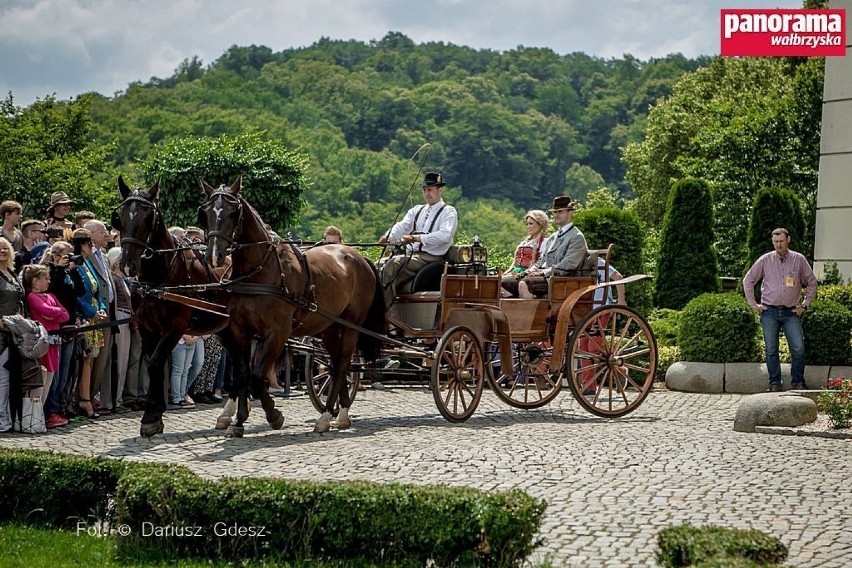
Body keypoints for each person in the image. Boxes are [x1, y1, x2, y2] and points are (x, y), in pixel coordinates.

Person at [743, 228, 818, 392]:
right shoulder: (765, 260)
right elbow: (748, 280)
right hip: (769, 311)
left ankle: (798, 382)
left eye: (781, 241)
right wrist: (753, 305)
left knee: (798, 348)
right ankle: (775, 383)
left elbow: (812, 282)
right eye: (775, 242)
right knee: (771, 349)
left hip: (791, 312)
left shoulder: (798, 260)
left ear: (788, 240)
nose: (778, 245)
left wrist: (805, 305)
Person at [378, 172, 458, 307]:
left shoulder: (449, 212)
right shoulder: (416, 210)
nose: (427, 193)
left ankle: (381, 308)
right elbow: (402, 226)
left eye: (430, 190)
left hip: (430, 257)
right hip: (411, 255)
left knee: (393, 264)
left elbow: (445, 235)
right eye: (425, 190)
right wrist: (388, 236)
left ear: (440, 190)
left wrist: (417, 238)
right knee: (379, 264)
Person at [41, 240, 85, 422]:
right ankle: (51, 409)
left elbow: (80, 291)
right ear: (57, 256)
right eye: (67, 255)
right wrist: (58, 269)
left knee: (66, 371)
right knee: (56, 372)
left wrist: (74, 270)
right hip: (56, 329)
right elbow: (53, 290)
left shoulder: (69, 272)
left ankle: (60, 405)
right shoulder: (49, 273)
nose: (70, 258)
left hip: (70, 326)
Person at [22, 264, 70, 428]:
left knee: (50, 377)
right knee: (41, 378)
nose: (48, 282)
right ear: (35, 281)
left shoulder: (50, 295)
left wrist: (52, 313)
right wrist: (53, 313)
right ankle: (35, 413)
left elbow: (65, 314)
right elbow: (48, 311)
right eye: (45, 279)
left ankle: (40, 413)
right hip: (42, 342)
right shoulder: (32, 297)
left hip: (54, 342)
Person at [518, 196, 588, 299]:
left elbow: (568, 265)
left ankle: (529, 314)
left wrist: (543, 272)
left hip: (559, 280)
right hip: (544, 276)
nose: (556, 215)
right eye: (554, 212)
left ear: (569, 212)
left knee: (524, 284)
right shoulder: (553, 236)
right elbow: (542, 259)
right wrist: (531, 270)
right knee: (504, 284)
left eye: (560, 211)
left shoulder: (576, 237)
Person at [72, 228, 107, 419]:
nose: (90, 246)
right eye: (88, 243)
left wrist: (100, 308)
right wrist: (92, 311)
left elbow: (97, 291)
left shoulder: (88, 263)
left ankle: (88, 395)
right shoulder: (76, 265)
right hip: (84, 315)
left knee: (91, 358)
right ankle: (83, 399)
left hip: (95, 314)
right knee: (85, 358)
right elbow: (77, 294)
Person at [84, 220, 116, 412]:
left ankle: (95, 395)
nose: (107, 235)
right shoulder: (86, 257)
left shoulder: (103, 256)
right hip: (93, 314)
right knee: (91, 357)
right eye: (103, 232)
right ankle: (86, 396)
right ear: (91, 234)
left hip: (107, 311)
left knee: (103, 357)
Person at [0, 238, 24, 433]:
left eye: (5, 247)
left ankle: (6, 414)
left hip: (13, 332)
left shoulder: (12, 274)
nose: (2, 250)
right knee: (2, 377)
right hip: (1, 331)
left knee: (8, 377)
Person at [501, 210, 550, 297]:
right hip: (516, 271)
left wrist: (529, 271)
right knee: (494, 282)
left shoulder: (544, 242)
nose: (528, 227)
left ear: (540, 224)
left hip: (528, 272)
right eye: (527, 224)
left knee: (501, 282)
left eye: (531, 224)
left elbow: (540, 261)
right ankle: (510, 300)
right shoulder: (525, 242)